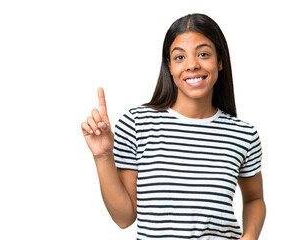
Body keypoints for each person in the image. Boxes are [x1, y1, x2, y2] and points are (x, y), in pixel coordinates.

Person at [81, 13, 266, 240]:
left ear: (220, 61)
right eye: (180, 57)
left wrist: (250, 237)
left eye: (203, 54)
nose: (192, 65)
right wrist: (102, 156)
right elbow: (124, 218)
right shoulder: (137, 124)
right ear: (169, 66)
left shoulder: (243, 135)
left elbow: (255, 199)